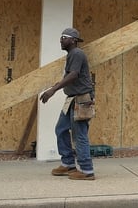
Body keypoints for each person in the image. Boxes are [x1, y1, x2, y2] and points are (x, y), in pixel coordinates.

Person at [39, 27, 96, 180]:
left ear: (73, 40)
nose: (60, 40)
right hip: (72, 99)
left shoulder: (77, 53)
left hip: (81, 99)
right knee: (61, 129)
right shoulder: (72, 54)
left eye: (64, 37)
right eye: (61, 37)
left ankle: (86, 171)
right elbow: (70, 76)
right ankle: (68, 164)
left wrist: (53, 90)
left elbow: (74, 75)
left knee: (79, 134)